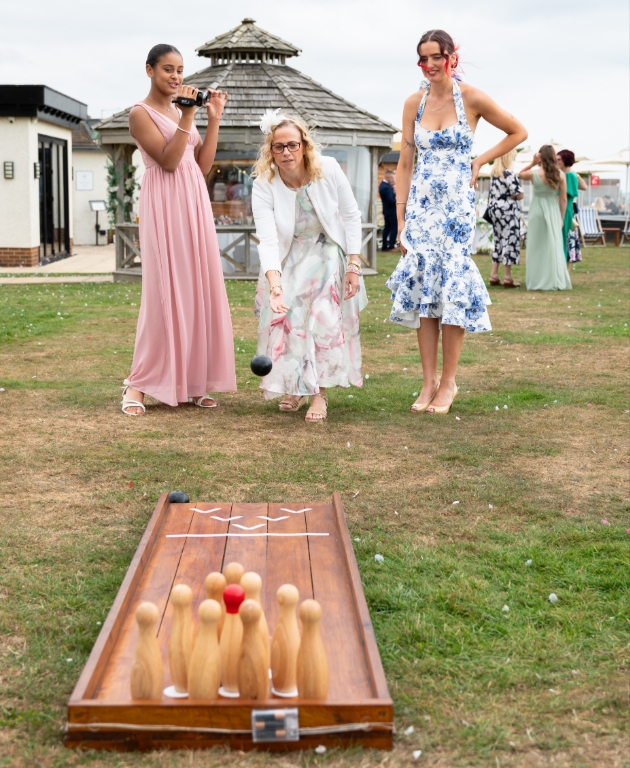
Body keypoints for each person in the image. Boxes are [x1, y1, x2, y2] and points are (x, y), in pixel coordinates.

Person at [387, 29, 527, 414]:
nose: (430, 65)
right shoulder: (413, 102)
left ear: (451, 56)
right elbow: (404, 163)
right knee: (423, 290)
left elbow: (518, 131)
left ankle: (449, 383)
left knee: (451, 287)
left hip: (455, 210)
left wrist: (480, 161)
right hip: (420, 208)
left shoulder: (472, 97)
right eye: (423, 59)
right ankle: (428, 380)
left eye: (436, 57)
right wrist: (400, 220)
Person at [121, 44, 236, 416]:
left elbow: (199, 166)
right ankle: (139, 386)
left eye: (181, 70)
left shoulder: (178, 110)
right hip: (164, 204)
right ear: (149, 70)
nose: (175, 77)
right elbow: (169, 162)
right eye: (168, 69)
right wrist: (188, 116)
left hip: (194, 204)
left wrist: (213, 118)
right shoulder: (140, 113)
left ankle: (194, 381)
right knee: (163, 292)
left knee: (198, 288)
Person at [251, 110, 366, 422]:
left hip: (327, 250)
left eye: (292, 145)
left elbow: (350, 215)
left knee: (319, 319)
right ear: (270, 150)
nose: (286, 152)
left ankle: (318, 394)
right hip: (289, 255)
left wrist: (354, 264)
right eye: (279, 147)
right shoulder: (265, 182)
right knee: (289, 320)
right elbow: (268, 239)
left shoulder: (326, 168)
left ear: (303, 144)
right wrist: (275, 286)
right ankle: (296, 385)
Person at [519, 145, 571, 291]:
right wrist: (561, 217)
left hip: (537, 209)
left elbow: (520, 173)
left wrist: (533, 163)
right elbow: (563, 199)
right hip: (553, 209)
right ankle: (554, 279)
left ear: (540, 156)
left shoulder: (534, 173)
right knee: (553, 245)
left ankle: (537, 280)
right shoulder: (560, 174)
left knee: (536, 246)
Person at [487, 149, 524, 287]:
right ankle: (508, 277)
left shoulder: (494, 174)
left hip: (495, 209)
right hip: (508, 210)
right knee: (509, 240)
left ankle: (494, 274)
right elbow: (519, 193)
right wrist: (513, 196)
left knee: (498, 241)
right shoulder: (508, 173)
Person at [556, 149, 587, 263]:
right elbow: (584, 187)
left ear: (565, 160)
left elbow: (563, 196)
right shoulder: (568, 174)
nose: (556, 161)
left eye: (559, 159)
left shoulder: (569, 175)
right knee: (564, 240)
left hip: (564, 209)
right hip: (567, 208)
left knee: (562, 240)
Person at [379, 170, 398, 250]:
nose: (393, 180)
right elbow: (391, 200)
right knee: (394, 227)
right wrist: (398, 199)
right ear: (389, 177)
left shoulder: (383, 185)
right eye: (392, 178)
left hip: (386, 211)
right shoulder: (386, 187)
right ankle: (391, 246)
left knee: (387, 228)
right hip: (391, 211)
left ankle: (384, 246)